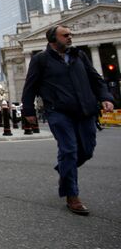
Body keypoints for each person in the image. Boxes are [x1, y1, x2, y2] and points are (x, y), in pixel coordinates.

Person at [21, 25, 114, 216]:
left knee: (86, 151)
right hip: (59, 112)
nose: (70, 37)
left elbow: (96, 79)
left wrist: (106, 97)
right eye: (65, 35)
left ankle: (64, 168)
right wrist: (28, 111)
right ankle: (72, 195)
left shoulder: (80, 56)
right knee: (69, 150)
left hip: (85, 110)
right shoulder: (40, 60)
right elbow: (30, 86)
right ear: (52, 40)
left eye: (70, 34)